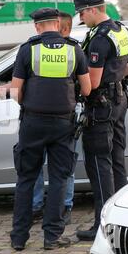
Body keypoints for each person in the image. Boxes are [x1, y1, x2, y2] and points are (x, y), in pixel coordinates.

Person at [9, 8, 91, 251]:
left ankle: (19, 238)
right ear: (58, 23)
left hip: (32, 122)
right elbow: (86, 90)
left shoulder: (28, 49)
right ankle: (52, 237)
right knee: (58, 179)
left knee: (26, 178)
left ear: (37, 27)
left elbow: (15, 91)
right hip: (63, 125)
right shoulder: (74, 49)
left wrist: (29, 101)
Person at [73, 0, 128, 241]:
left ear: (94, 10)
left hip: (101, 106)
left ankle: (103, 224)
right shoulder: (120, 30)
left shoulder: (99, 39)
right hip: (118, 101)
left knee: (99, 165)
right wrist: (119, 76)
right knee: (117, 160)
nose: (81, 18)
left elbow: (93, 82)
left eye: (83, 13)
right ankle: (121, 218)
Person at [32, 12, 78, 225]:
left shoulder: (72, 51)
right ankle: (57, 208)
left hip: (48, 118)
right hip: (62, 118)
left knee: (58, 167)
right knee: (61, 167)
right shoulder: (74, 51)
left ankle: (56, 207)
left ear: (63, 28)